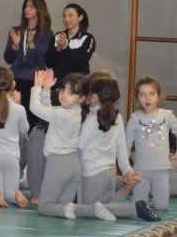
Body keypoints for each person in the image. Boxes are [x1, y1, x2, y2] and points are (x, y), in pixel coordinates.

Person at [30, 70, 114, 220]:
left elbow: (36, 109)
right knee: (63, 206)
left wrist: (37, 87)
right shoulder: (76, 113)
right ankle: (93, 209)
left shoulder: (62, 114)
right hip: (74, 165)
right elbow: (48, 111)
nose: (64, 95)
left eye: (71, 93)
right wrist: (47, 90)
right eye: (63, 89)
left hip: (58, 164)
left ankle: (80, 210)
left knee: (44, 206)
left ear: (81, 98)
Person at [79, 75, 159, 221]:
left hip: (92, 173)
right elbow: (121, 147)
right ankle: (126, 192)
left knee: (88, 209)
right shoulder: (117, 117)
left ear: (96, 96)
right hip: (108, 171)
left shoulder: (92, 119)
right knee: (104, 205)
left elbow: (79, 145)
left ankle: (133, 209)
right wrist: (127, 169)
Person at [127, 76, 177, 211]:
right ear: (137, 98)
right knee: (137, 206)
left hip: (161, 169)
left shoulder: (167, 115)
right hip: (141, 169)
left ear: (159, 96)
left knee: (162, 206)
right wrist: (126, 167)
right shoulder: (135, 118)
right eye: (142, 95)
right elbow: (126, 142)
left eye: (151, 94)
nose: (147, 99)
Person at [0, 66, 29, 208]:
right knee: (10, 191)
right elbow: (25, 130)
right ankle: (16, 195)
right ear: (13, 84)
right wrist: (19, 104)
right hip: (11, 156)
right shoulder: (19, 109)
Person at [3, 0, 53, 127]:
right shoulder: (16, 31)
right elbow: (8, 58)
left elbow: (43, 60)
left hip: (35, 81)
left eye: (31, 7)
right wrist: (15, 45)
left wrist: (31, 45)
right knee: (14, 117)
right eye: (25, 6)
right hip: (16, 79)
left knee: (32, 118)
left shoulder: (47, 33)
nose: (27, 9)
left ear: (39, 10)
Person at [46, 3, 95, 86]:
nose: (66, 19)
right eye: (64, 16)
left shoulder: (87, 38)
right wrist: (58, 50)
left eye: (70, 16)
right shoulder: (58, 36)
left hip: (78, 85)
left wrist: (65, 48)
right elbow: (49, 63)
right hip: (58, 84)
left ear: (80, 17)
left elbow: (82, 62)